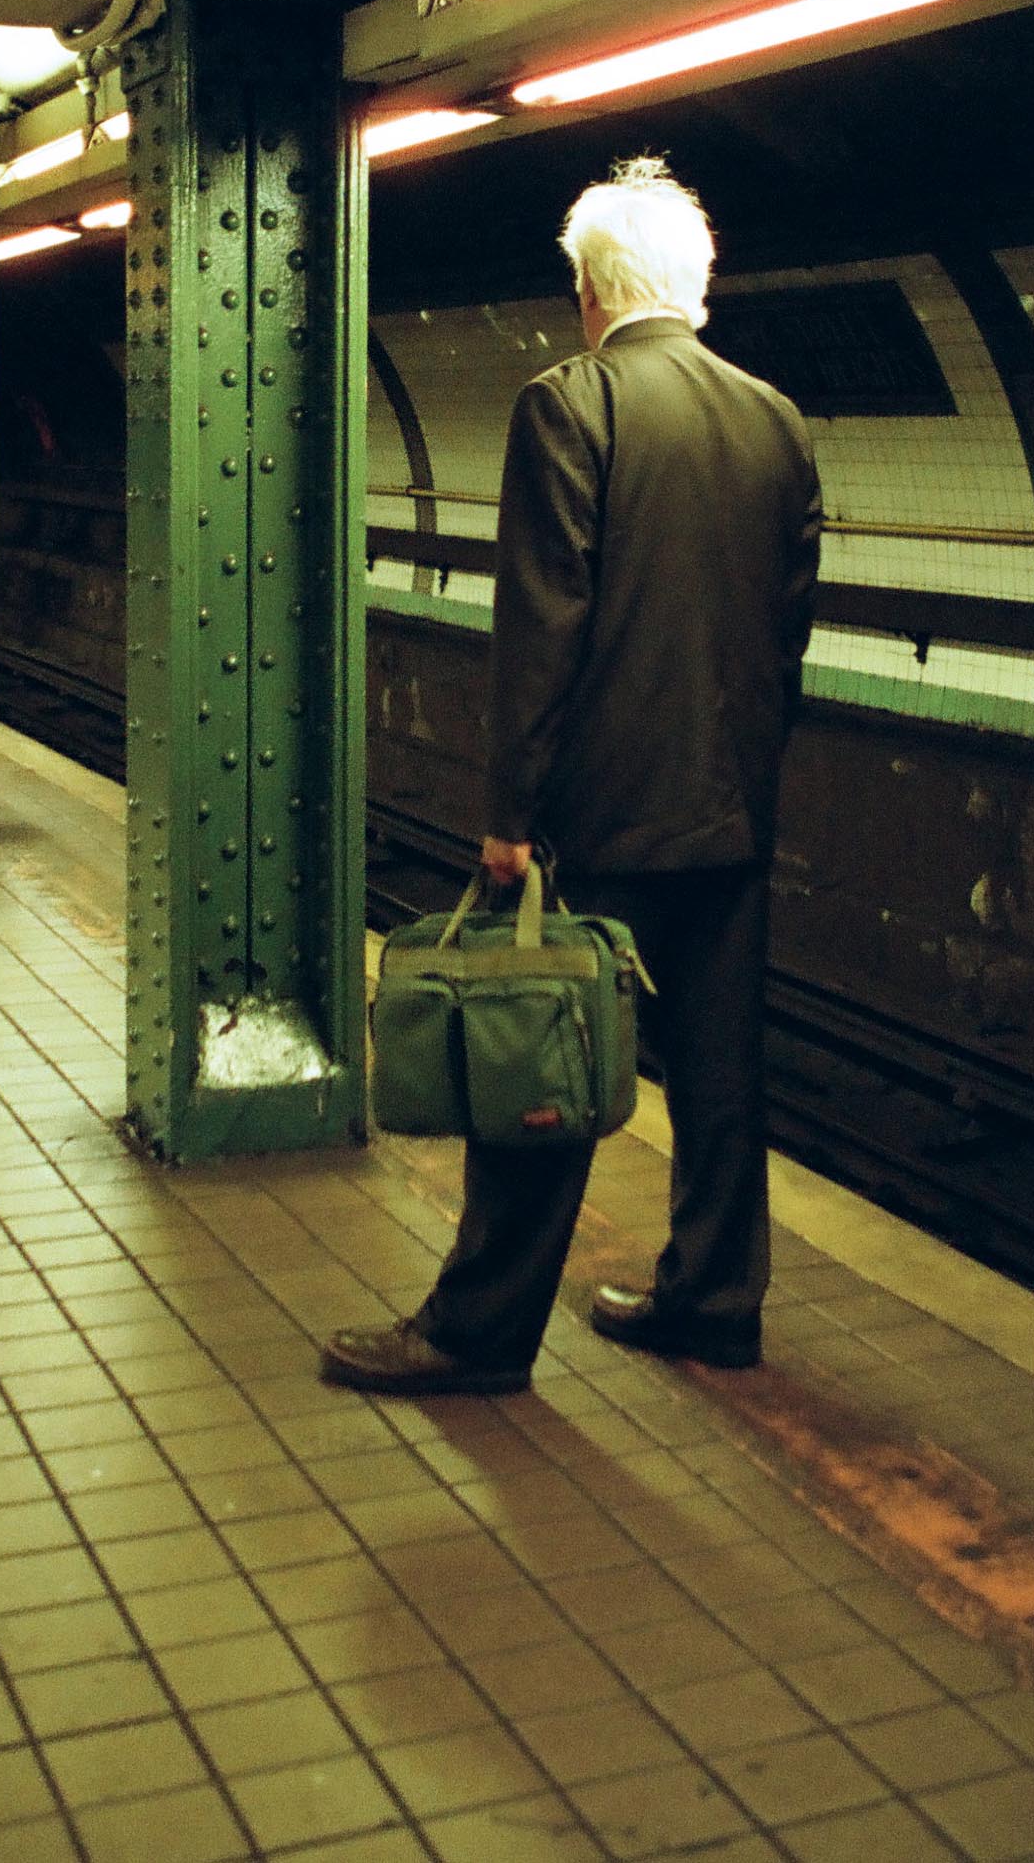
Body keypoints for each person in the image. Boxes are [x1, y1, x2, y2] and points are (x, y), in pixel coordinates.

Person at [323, 157, 820, 1395]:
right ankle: (714, 1300)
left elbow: (542, 627)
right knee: (720, 1076)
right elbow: (787, 624)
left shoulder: (572, 403)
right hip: (732, 808)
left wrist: (511, 816)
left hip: (602, 814)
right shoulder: (775, 418)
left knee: (538, 1061)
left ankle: (476, 1331)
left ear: (592, 290)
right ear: (693, 287)